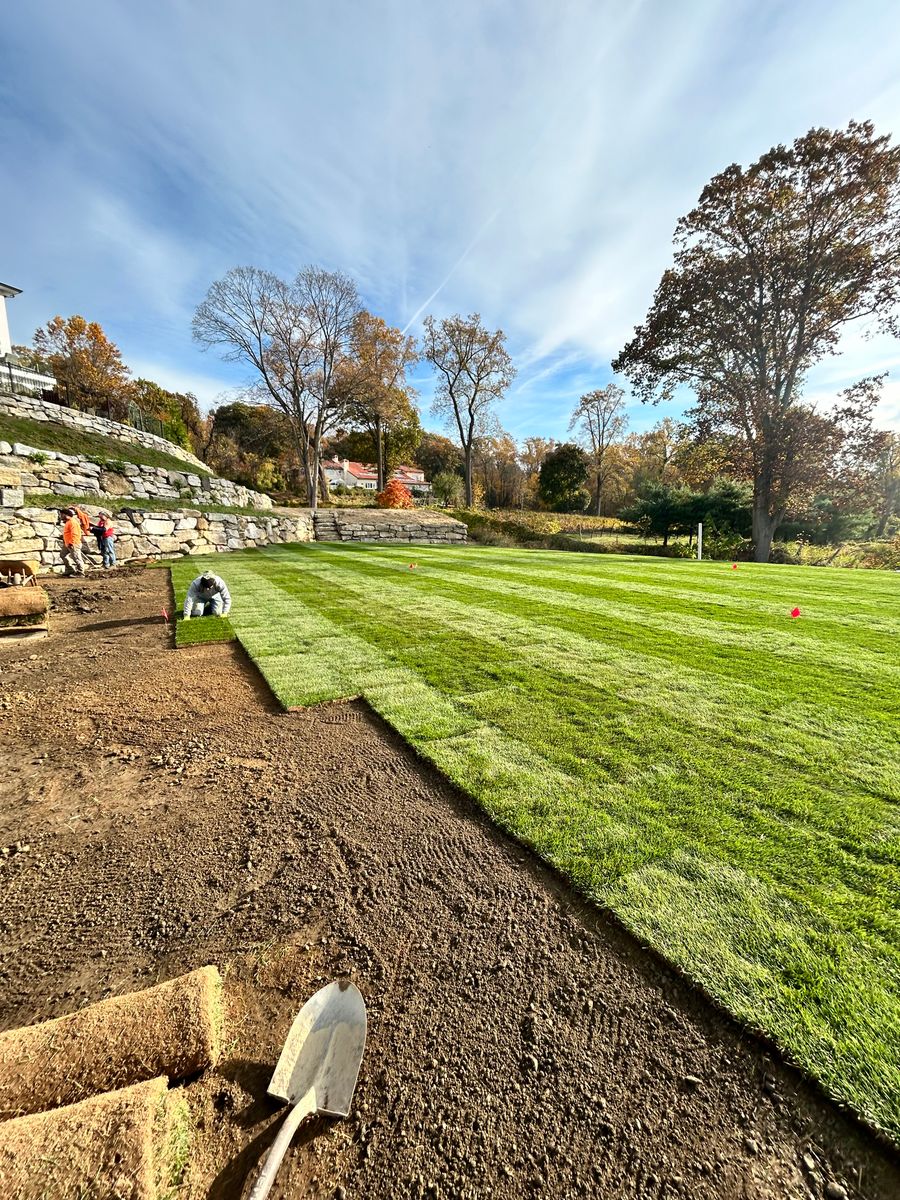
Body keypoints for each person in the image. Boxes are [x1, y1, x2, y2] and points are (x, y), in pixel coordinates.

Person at [60, 508, 86, 577]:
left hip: (73, 543)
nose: (61, 516)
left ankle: (81, 572)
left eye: (62, 514)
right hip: (68, 544)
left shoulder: (72, 522)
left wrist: (72, 543)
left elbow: (75, 534)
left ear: (66, 515)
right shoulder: (68, 522)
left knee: (76, 558)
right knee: (63, 555)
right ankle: (70, 569)